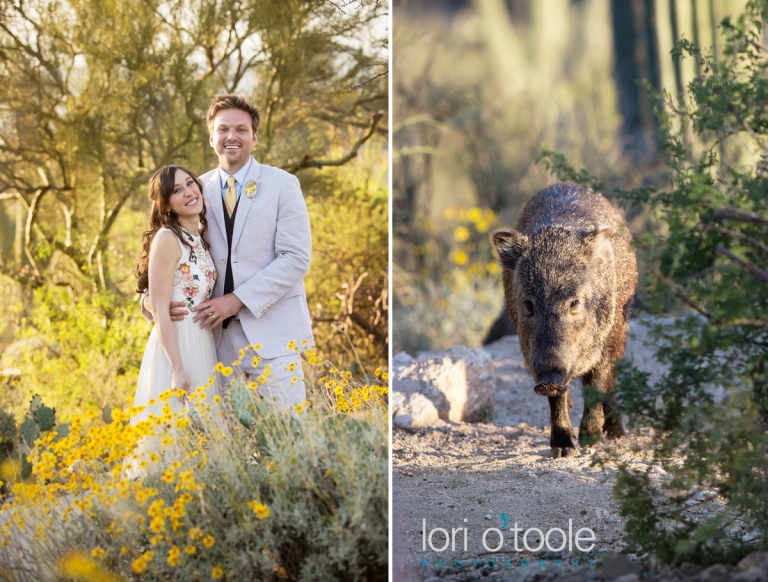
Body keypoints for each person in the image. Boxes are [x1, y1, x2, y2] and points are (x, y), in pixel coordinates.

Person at [142, 94, 313, 409]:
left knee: (291, 432)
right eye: (223, 129)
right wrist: (149, 300)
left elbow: (296, 259)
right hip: (211, 344)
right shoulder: (194, 190)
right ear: (211, 137)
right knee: (221, 435)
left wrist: (236, 300)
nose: (231, 136)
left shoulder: (283, 184)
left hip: (274, 337)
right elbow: (165, 251)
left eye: (241, 129)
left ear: (254, 137)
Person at [128, 165, 222, 475]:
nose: (188, 192)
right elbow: (159, 308)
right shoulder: (167, 238)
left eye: (190, 183)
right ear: (166, 204)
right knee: (173, 434)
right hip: (176, 345)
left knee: (203, 436)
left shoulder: (199, 237)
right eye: (177, 191)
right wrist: (178, 368)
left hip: (202, 342)